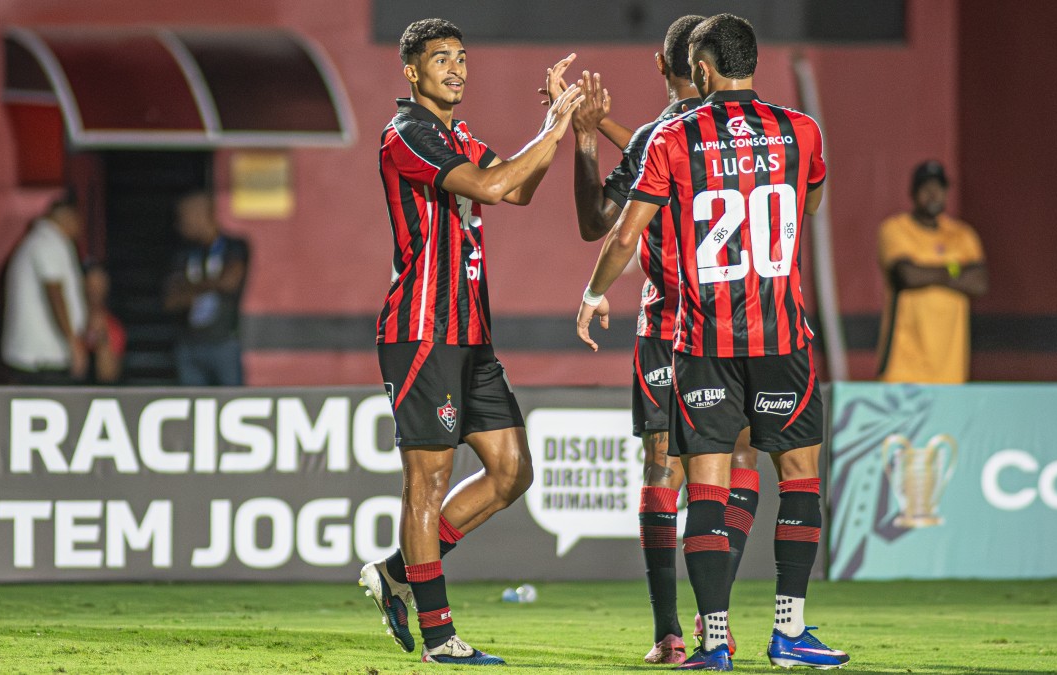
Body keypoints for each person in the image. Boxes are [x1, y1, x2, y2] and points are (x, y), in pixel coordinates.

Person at [576, 14, 849, 670]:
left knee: (706, 485)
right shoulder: (801, 131)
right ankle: (790, 630)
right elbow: (811, 205)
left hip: (705, 339)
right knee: (800, 476)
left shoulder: (675, 134)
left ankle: (714, 641)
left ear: (699, 70)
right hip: (783, 333)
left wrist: (592, 293)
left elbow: (619, 234)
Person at [358, 18, 584, 667]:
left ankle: (397, 573)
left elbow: (519, 187)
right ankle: (438, 637)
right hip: (422, 332)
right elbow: (490, 185)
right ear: (411, 71)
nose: (456, 69)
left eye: (461, 58)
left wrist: (555, 130)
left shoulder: (456, 135)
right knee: (426, 484)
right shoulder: (408, 133)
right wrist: (551, 132)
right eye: (440, 60)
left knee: (513, 469)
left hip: (471, 332)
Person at [566, 15, 764, 665]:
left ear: (663, 64)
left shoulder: (665, 135)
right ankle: (718, 621)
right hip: (748, 324)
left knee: (665, 469)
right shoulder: (761, 133)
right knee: (740, 461)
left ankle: (671, 630)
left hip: (669, 329)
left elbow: (600, 223)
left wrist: (588, 141)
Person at [876, 161, 987, 383]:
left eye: (939, 187)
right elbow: (908, 275)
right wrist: (956, 269)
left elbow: (979, 283)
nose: (933, 194)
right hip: (903, 367)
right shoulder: (895, 229)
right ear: (913, 192)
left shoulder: (962, 235)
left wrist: (927, 270)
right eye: (926, 187)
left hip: (951, 371)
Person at [163, 191, 249, 386]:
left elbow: (230, 281)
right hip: (189, 344)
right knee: (191, 405)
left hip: (224, 341)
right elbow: (170, 300)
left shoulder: (234, 246)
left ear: (204, 214)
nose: (181, 224)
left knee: (231, 402)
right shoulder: (183, 253)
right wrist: (212, 283)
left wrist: (191, 287)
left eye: (185, 217)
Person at [1, 199, 88, 385]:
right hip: (43, 356)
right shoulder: (49, 242)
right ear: (67, 218)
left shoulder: (35, 241)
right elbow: (55, 292)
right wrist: (73, 342)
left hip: (33, 354)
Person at [83, 262, 126, 384]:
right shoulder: (70, 320)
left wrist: (101, 337)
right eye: (90, 285)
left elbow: (108, 375)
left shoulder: (113, 326)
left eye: (99, 286)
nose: (94, 291)